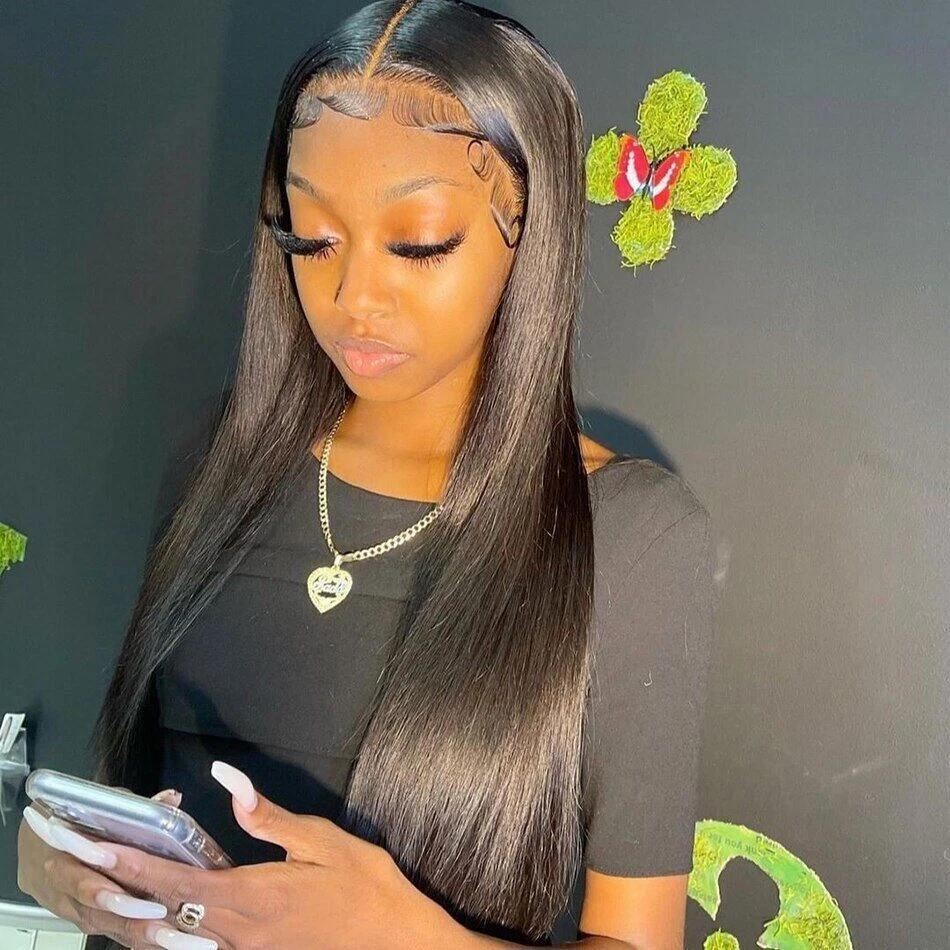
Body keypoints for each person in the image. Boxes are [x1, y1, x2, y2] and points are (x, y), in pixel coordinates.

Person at [17, 1, 717, 948]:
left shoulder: (629, 536)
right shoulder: (216, 461)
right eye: (312, 238)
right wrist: (71, 866)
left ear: (530, 227)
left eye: (418, 243)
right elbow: (145, 792)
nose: (353, 297)